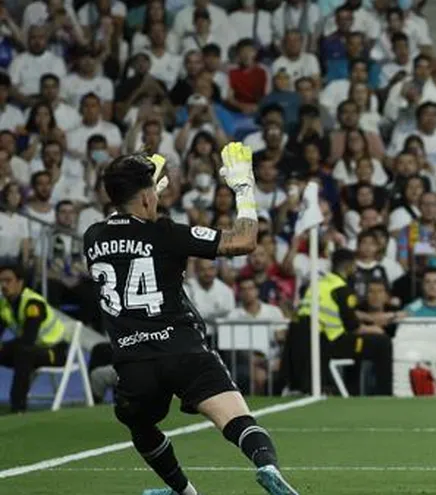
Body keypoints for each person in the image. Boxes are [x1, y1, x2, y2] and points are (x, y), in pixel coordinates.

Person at [83, 144, 299, 495]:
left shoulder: (92, 237)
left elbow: (129, 227)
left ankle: (184, 491)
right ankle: (266, 464)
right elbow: (243, 241)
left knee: (140, 425)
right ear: (147, 198)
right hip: (182, 348)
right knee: (234, 417)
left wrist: (146, 194)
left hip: (133, 361)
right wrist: (244, 187)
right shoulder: (167, 233)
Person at [283, 249, 393, 396]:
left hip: (303, 338)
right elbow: (353, 327)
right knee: (382, 343)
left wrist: (368, 318)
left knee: (360, 344)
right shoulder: (342, 289)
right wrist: (375, 329)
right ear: (349, 266)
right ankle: (384, 394)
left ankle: (352, 390)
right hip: (328, 342)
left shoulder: (321, 283)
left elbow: (337, 311)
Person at [0, 264, 68, 413]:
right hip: (31, 351)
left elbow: (28, 339)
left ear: (20, 282)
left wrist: (4, 347)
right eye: (1, 281)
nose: (3, 285)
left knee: (23, 352)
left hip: (55, 352)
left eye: (8, 280)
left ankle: (18, 407)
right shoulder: (4, 305)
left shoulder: (33, 303)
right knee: (22, 351)